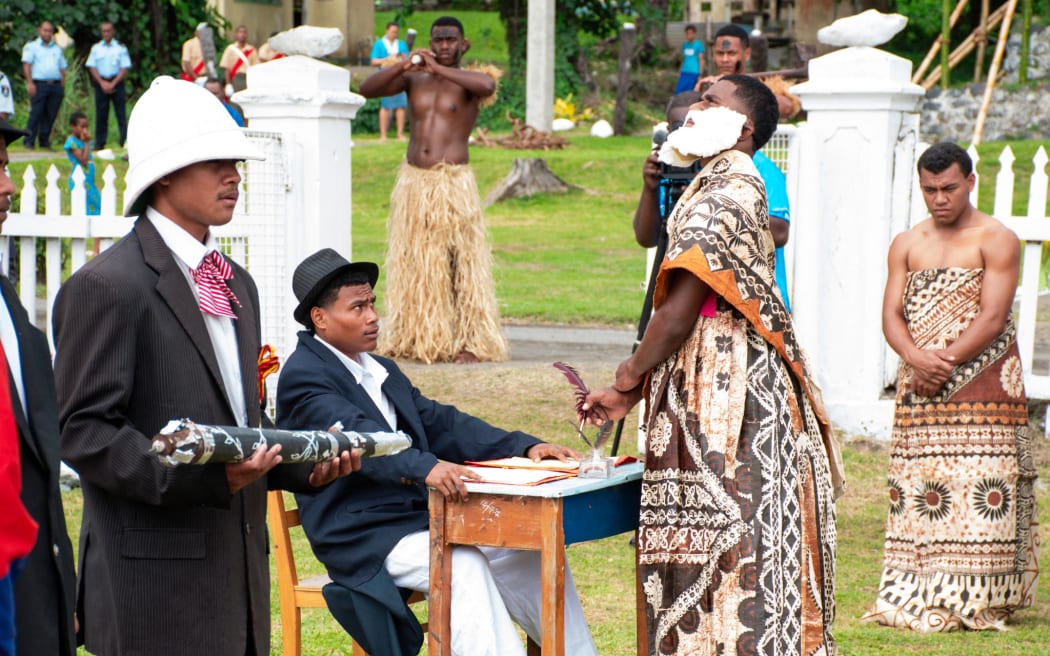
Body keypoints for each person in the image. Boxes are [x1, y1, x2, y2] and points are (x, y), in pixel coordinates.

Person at [52, 77, 359, 656]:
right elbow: (84, 432)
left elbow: (242, 423)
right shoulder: (106, 286)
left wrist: (303, 464)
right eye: (216, 162)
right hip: (152, 587)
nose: (234, 176)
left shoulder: (235, 282)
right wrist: (202, 477)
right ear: (164, 173)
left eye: (236, 163)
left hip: (236, 579)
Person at [582, 75, 842, 656]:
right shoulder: (714, 180)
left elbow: (678, 313)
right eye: (697, 99)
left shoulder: (728, 190)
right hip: (716, 374)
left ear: (745, 128)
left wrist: (627, 383)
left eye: (712, 101)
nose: (696, 108)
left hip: (729, 387)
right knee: (727, 536)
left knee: (734, 538)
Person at [275, 248, 597, 656]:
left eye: (372, 303)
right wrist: (427, 468)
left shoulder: (381, 369)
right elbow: (359, 437)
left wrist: (526, 445)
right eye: (357, 307)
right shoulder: (304, 375)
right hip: (361, 533)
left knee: (524, 548)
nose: (373, 316)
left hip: (418, 518)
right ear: (319, 318)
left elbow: (442, 423)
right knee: (462, 565)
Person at [862, 141, 1039, 632]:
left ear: (971, 183)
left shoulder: (996, 237)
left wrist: (945, 362)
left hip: (984, 383)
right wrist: (916, 359)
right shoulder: (907, 242)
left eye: (948, 188)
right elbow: (890, 314)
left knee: (984, 482)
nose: (939, 198)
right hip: (919, 384)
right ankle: (917, 583)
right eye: (929, 190)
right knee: (923, 485)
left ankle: (981, 594)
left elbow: (994, 315)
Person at [359, 16, 508, 365]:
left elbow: (487, 85)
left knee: (460, 262)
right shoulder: (413, 78)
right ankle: (421, 335)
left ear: (463, 44)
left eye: (450, 40)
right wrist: (403, 65)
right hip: (415, 182)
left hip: (453, 183)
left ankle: (470, 341)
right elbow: (368, 89)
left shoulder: (470, 82)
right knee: (419, 263)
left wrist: (439, 70)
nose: (443, 46)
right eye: (438, 40)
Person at [0, 116, 77, 656]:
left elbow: (38, 464)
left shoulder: (11, 307)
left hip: (31, 594)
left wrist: (59, 585)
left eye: (5, 168)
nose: (7, 186)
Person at [696, 24, 801, 121]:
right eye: (720, 53)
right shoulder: (708, 84)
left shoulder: (761, 85)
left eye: (731, 53)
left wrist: (742, 90)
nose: (725, 59)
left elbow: (787, 108)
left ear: (747, 54)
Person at [21, 21, 68, 151]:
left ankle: (44, 141)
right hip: (39, 84)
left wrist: (62, 85)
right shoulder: (32, 47)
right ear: (39, 30)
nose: (47, 33)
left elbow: (62, 68)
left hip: (55, 84)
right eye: (45, 30)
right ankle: (29, 140)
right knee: (36, 113)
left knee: (50, 114)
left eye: (50, 31)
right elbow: (27, 65)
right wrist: (30, 83)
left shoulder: (57, 49)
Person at [86, 21, 131, 150]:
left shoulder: (120, 48)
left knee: (121, 114)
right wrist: (102, 83)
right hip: (101, 83)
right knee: (101, 115)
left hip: (117, 82)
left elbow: (124, 67)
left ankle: (124, 142)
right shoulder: (96, 48)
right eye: (104, 31)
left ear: (113, 31)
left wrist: (113, 83)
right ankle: (100, 143)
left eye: (108, 31)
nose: (106, 33)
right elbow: (92, 66)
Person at [369, 22, 410, 142]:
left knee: (401, 106)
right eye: (392, 32)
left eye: (396, 32)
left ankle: (400, 133)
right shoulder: (379, 45)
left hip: (399, 76)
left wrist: (401, 58)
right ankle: (383, 135)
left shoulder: (401, 45)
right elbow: (373, 61)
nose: (394, 34)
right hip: (385, 76)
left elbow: (407, 59)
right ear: (387, 31)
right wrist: (386, 59)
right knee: (385, 105)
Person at [64, 111, 101, 215]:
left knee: (97, 204)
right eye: (82, 127)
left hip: (89, 180)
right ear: (73, 127)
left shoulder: (83, 141)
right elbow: (83, 160)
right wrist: (86, 143)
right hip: (80, 180)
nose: (85, 130)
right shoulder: (71, 143)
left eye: (86, 127)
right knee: (84, 208)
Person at [219, 25, 257, 93]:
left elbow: (256, 67)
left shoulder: (252, 50)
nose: (242, 34)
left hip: (248, 78)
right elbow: (227, 69)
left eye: (244, 32)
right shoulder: (230, 49)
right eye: (240, 32)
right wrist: (228, 84)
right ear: (236, 34)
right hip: (236, 78)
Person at [675, 24, 704, 94]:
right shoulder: (685, 45)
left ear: (694, 34)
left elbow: (701, 60)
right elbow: (684, 59)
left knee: (690, 92)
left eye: (691, 33)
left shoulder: (699, 45)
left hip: (694, 72)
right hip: (684, 71)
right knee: (679, 91)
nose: (689, 35)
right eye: (687, 33)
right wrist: (680, 71)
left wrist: (700, 74)